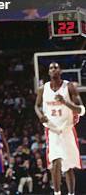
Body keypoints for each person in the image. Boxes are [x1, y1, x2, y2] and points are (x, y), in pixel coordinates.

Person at [34, 62, 84, 195]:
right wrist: (40, 115)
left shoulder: (69, 87)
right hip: (52, 131)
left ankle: (71, 193)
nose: (53, 69)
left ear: (60, 70)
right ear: (48, 72)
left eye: (56, 67)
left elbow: (81, 109)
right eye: (51, 67)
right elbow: (37, 106)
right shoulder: (42, 89)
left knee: (68, 168)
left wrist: (65, 102)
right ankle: (57, 193)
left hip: (67, 129)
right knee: (55, 162)